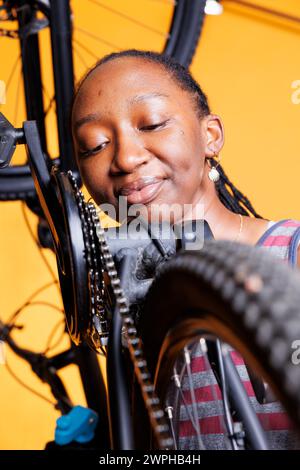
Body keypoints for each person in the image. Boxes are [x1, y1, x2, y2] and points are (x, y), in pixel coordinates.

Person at [71, 49, 300, 449]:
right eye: (95, 145)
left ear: (210, 135)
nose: (125, 158)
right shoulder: (126, 307)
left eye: (154, 124)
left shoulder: (292, 253)